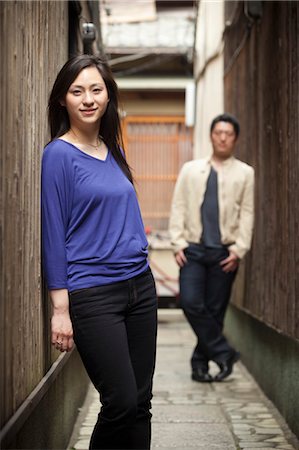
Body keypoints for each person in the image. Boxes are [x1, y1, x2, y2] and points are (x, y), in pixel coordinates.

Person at [41, 54, 158, 450]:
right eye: (77, 91)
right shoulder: (58, 154)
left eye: (96, 89)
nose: (88, 99)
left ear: (108, 96)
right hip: (93, 294)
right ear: (63, 100)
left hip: (140, 287)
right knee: (121, 402)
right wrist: (61, 310)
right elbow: (54, 232)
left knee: (141, 403)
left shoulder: (112, 148)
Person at [169, 113, 254, 382]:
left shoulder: (245, 173)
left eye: (228, 133)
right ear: (211, 135)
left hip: (224, 253)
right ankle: (224, 352)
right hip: (192, 249)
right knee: (191, 303)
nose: (223, 137)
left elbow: (248, 214)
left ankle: (199, 365)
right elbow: (178, 205)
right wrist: (177, 242)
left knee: (215, 311)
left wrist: (239, 250)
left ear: (235, 138)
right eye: (218, 132)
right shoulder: (191, 169)